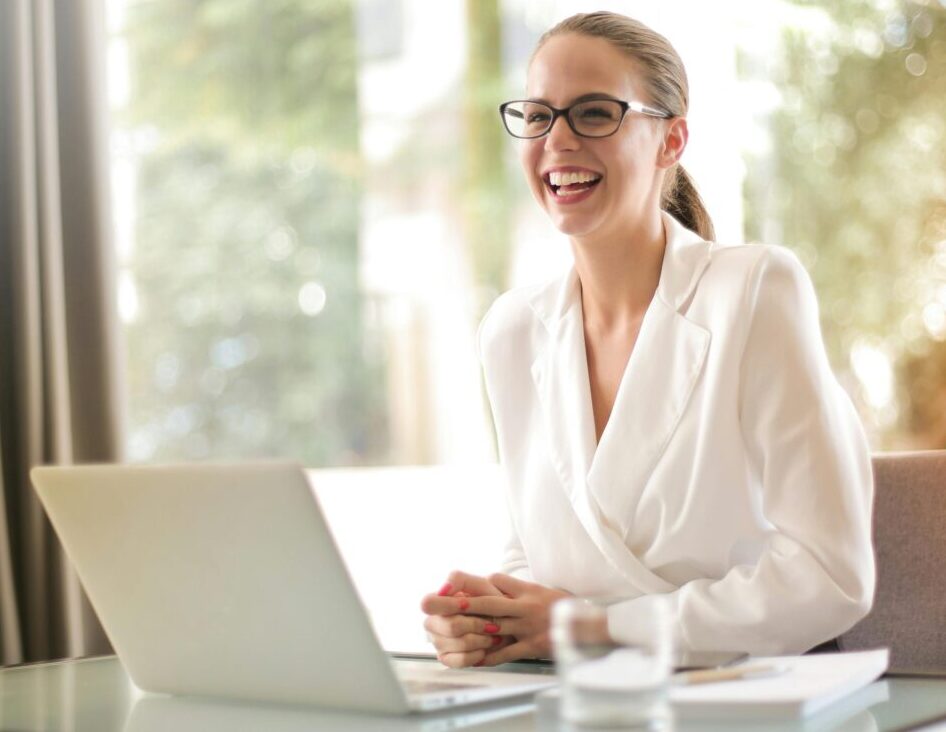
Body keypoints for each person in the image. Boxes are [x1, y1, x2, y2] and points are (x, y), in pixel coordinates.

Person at [420, 11, 874, 669]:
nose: (558, 140)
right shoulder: (512, 332)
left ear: (671, 139)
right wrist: (490, 619)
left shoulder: (752, 292)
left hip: (746, 694)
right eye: (539, 115)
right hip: (590, 698)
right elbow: (539, 547)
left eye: (595, 113)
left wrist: (597, 626)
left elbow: (831, 576)